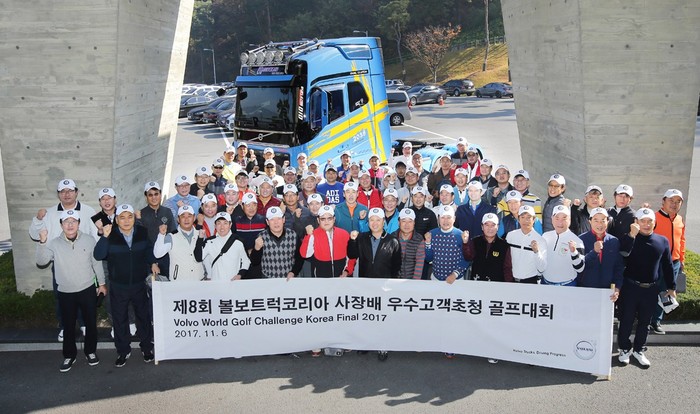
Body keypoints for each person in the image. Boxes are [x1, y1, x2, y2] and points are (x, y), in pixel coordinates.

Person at [36, 210, 106, 372]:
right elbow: (41, 261)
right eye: (66, 222)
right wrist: (42, 242)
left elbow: (96, 263)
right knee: (68, 326)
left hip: (87, 289)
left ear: (78, 224)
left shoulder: (89, 240)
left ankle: (90, 352)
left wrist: (102, 283)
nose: (70, 225)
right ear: (61, 225)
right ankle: (69, 355)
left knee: (90, 323)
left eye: (73, 221)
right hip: (65, 292)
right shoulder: (53, 243)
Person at [29, 178, 98, 342]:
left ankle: (84, 324)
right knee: (62, 297)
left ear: (76, 192)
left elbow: (97, 235)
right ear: (58, 194)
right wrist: (38, 219)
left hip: (84, 263)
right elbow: (34, 234)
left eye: (70, 190)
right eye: (63, 191)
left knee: (85, 295)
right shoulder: (50, 213)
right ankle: (65, 326)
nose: (67, 194)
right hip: (61, 264)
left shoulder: (89, 211)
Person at [93, 204, 156, 368]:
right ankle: (123, 351)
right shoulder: (110, 234)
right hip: (118, 286)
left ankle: (147, 348)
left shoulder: (142, 232)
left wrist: (153, 262)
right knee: (119, 319)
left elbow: (148, 250)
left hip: (139, 284)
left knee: (143, 317)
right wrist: (104, 237)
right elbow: (98, 255)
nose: (126, 221)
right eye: (122, 217)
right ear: (116, 219)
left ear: (134, 218)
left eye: (130, 217)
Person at [617, 208, 676, 367]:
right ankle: (624, 349)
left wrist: (671, 286)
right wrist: (631, 235)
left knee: (645, 322)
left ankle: (639, 349)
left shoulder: (662, 241)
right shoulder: (628, 238)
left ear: (654, 223)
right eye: (642, 221)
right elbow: (622, 253)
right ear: (636, 222)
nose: (646, 224)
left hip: (650, 289)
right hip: (630, 287)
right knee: (626, 320)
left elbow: (668, 265)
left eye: (650, 221)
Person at [348, 207, 402, 361]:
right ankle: (366, 343)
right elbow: (351, 254)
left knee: (383, 318)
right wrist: (352, 240)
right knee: (367, 316)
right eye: (372, 220)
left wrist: (393, 286)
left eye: (378, 220)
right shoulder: (362, 237)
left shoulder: (393, 241)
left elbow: (397, 266)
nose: (375, 223)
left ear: (383, 222)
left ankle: (382, 345)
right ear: (368, 222)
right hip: (366, 284)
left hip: (384, 286)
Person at [650, 189, 686, 334]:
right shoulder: (654, 218)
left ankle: (656, 321)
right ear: (663, 201)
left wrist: (681, 259)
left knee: (666, 293)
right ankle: (645, 319)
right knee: (652, 290)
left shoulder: (679, 219)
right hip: (656, 262)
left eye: (678, 202)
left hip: (674, 263)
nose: (674, 204)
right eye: (671, 200)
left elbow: (681, 240)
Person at [578, 207, 624, 299]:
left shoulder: (614, 241)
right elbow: (579, 266)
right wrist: (594, 252)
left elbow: (618, 267)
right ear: (590, 221)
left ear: (608, 221)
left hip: (607, 291)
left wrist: (617, 287)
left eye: (603, 220)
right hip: (585, 289)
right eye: (596, 220)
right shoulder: (581, 239)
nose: (600, 224)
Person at [300, 205, 355, 279]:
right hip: (321, 280)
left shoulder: (344, 234)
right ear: (318, 220)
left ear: (334, 219)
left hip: (342, 279)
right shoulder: (313, 235)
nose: (326, 221)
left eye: (329, 218)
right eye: (323, 219)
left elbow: (351, 256)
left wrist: (347, 271)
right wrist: (308, 236)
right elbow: (304, 254)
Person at [153, 205, 205, 281]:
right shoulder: (171, 236)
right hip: (178, 282)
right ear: (178, 219)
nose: (186, 219)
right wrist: (161, 235)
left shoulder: (200, 234)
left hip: (199, 281)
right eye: (183, 216)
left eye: (189, 216)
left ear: (194, 218)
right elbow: (158, 254)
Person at [250, 207, 304, 279]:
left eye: (278, 218)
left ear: (283, 219)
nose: (276, 222)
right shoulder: (261, 237)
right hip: (268, 278)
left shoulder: (293, 235)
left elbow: (299, 258)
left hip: (289, 279)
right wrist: (256, 249)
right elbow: (254, 262)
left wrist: (294, 272)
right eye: (272, 219)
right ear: (267, 222)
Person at [195, 212, 250, 281]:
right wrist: (200, 239)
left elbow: (246, 261)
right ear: (215, 225)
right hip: (215, 283)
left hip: (233, 283)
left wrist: (240, 275)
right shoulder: (209, 242)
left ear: (230, 225)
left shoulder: (239, 241)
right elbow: (198, 258)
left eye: (225, 223)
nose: (222, 227)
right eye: (219, 223)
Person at [541, 205, 585, 286]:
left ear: (569, 220)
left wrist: (574, 252)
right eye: (557, 218)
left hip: (567, 285)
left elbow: (580, 268)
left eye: (564, 218)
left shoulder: (577, 241)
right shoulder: (545, 236)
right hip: (545, 283)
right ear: (552, 219)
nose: (560, 222)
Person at [424, 206, 470, 282]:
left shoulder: (461, 235)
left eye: (449, 217)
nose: (445, 221)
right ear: (438, 219)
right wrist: (428, 243)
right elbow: (428, 259)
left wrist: (455, 274)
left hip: (456, 280)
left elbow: (466, 259)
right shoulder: (432, 234)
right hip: (436, 279)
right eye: (443, 217)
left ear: (454, 219)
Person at [506, 205, 547, 284]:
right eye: (523, 217)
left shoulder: (540, 240)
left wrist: (537, 252)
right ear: (518, 219)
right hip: (511, 280)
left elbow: (542, 268)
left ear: (534, 219)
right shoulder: (510, 236)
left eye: (529, 217)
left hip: (530, 281)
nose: (526, 221)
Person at [393, 208, 426, 280]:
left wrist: (414, 283)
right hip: (394, 280)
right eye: (404, 221)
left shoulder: (419, 239)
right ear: (399, 222)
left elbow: (419, 263)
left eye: (410, 221)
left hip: (411, 280)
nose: (407, 225)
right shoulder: (392, 238)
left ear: (414, 223)